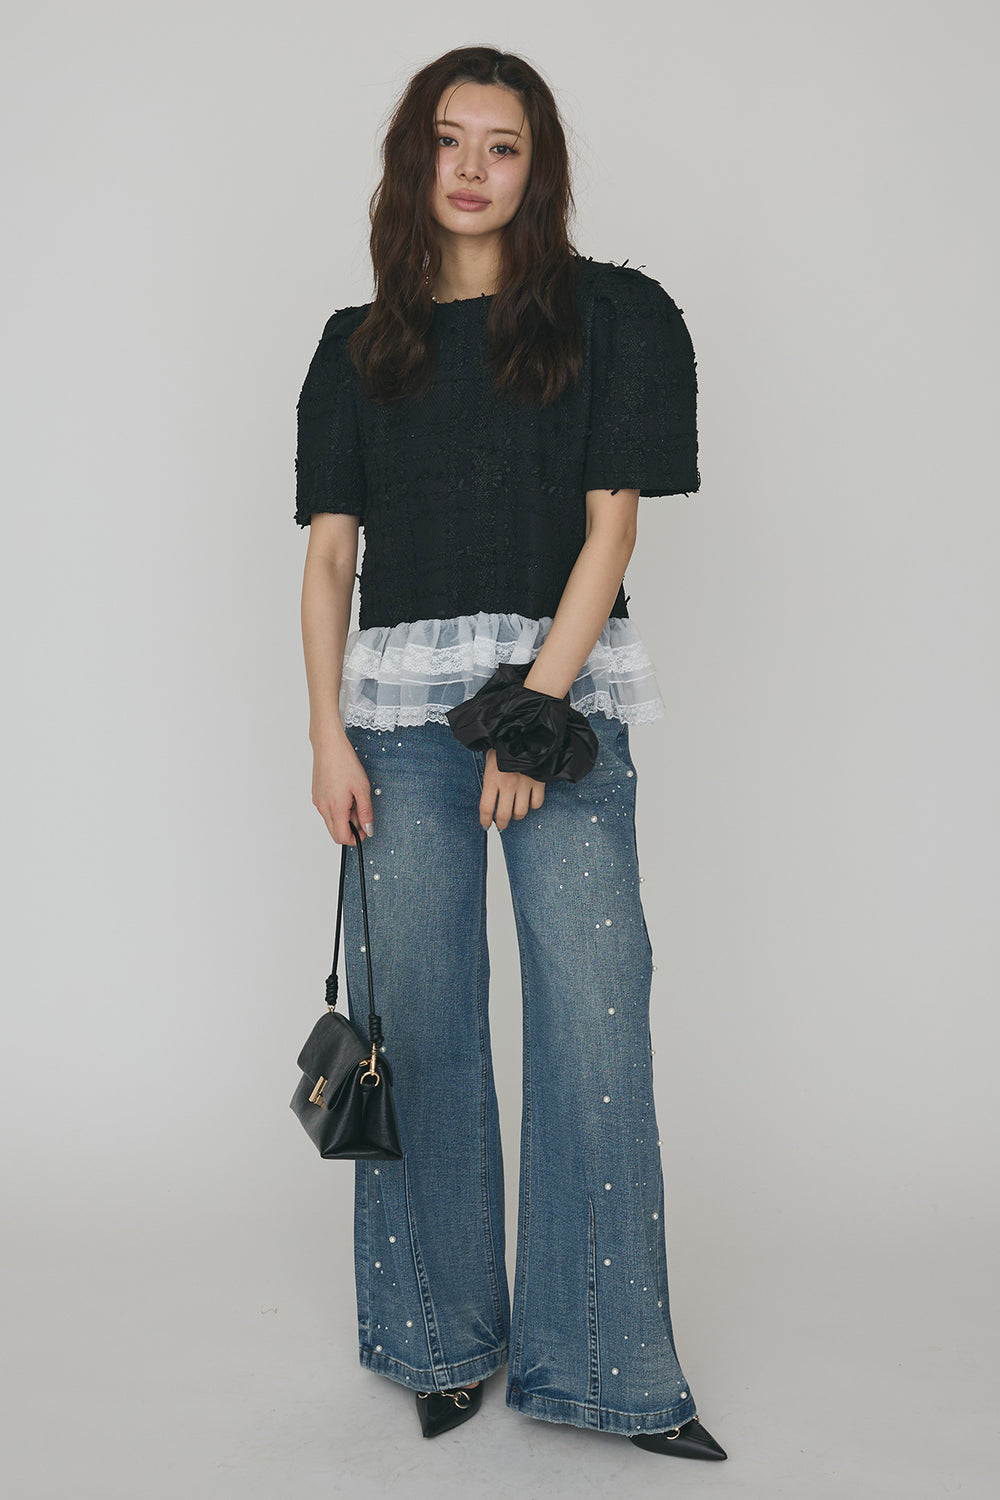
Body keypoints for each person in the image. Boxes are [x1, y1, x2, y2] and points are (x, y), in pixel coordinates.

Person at [294, 44, 727, 1461]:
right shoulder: (356, 347)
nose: (472, 168)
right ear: (412, 159)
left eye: (504, 145)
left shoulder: (615, 317)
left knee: (595, 1018)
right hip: (396, 723)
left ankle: (608, 1366)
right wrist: (325, 736)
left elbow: (613, 530)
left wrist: (534, 718)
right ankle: (438, 1340)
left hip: (561, 705)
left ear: (539, 169)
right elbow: (332, 563)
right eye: (449, 139)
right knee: (416, 1025)